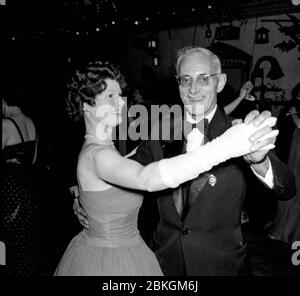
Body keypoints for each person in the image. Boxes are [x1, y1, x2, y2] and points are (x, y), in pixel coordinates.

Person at [55, 60, 277, 276]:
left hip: (212, 260)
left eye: (120, 95)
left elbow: (120, 170)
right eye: (110, 96)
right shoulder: (99, 153)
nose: (121, 103)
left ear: (219, 83)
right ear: (86, 106)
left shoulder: (110, 150)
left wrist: (83, 193)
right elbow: (146, 178)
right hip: (115, 261)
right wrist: (227, 146)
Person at [1, 88, 40, 276]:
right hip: (26, 191)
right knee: (23, 247)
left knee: (6, 247)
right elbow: (32, 161)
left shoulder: (5, 124)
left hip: (8, 192)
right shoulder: (31, 122)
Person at [270, 82, 300, 245]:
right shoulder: (292, 106)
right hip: (290, 151)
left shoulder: (293, 107)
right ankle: (283, 227)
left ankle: (285, 228)